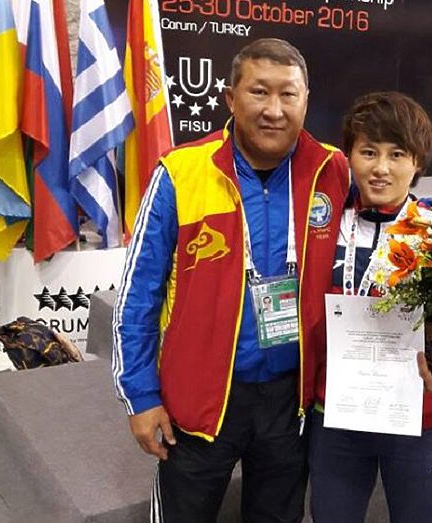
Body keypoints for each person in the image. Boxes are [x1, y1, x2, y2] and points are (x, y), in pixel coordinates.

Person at [112, 38, 350, 523]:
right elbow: (138, 295)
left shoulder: (331, 170)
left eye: (288, 94)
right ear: (230, 98)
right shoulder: (181, 172)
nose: (274, 110)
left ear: (306, 101)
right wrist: (140, 395)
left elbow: (386, 236)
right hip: (200, 399)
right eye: (259, 92)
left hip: (291, 398)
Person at [308, 91, 432, 523]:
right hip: (336, 416)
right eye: (368, 152)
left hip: (418, 418)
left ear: (418, 162)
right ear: (349, 155)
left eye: (396, 154)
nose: (381, 168)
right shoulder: (323, 227)